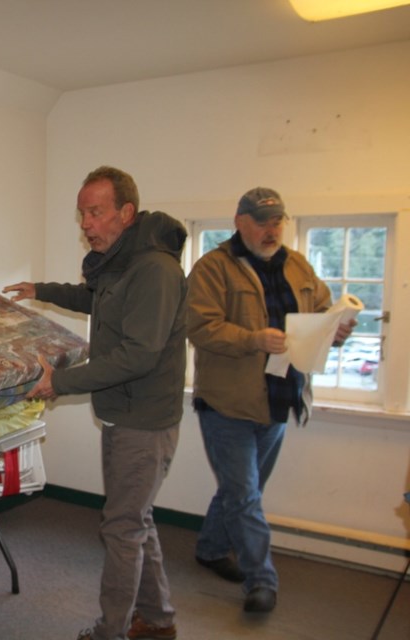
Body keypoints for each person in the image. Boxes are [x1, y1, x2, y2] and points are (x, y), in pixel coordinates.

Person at [4, 166, 187, 640]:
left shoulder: (154, 269)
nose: (86, 223)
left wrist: (60, 382)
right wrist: (40, 290)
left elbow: (138, 355)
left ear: (126, 213)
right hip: (124, 413)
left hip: (142, 420)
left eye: (96, 212)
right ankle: (159, 618)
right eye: (82, 213)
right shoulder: (122, 262)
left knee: (122, 527)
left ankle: (113, 631)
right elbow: (94, 298)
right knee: (136, 519)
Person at [186, 187, 355, 614]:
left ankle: (209, 548)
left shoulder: (297, 264)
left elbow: (317, 316)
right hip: (229, 403)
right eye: (262, 221)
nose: (272, 229)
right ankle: (261, 581)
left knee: (244, 489)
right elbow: (200, 328)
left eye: (278, 220)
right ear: (240, 221)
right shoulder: (213, 268)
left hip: (281, 397)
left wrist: (335, 331)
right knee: (245, 495)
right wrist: (253, 339)